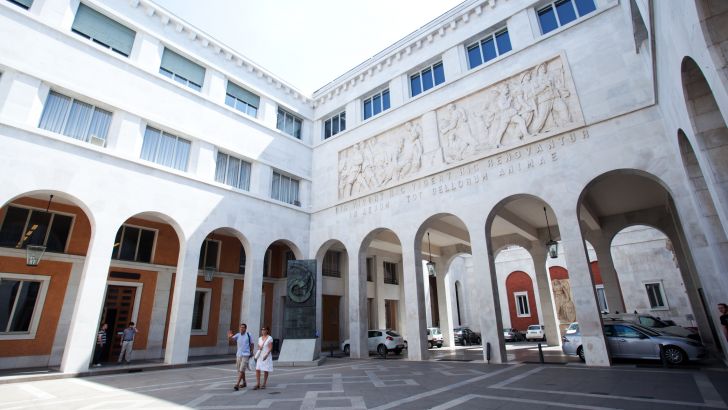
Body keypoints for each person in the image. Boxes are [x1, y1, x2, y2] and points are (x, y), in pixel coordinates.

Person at [228, 323, 254, 391]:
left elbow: (252, 344)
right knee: (240, 370)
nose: (242, 328)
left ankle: (237, 384)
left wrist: (251, 352)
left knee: (241, 369)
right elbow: (232, 340)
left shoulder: (248, 335)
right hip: (239, 355)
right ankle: (244, 382)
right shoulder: (238, 335)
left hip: (246, 354)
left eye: (243, 327)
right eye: (241, 327)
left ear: (245, 328)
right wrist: (230, 337)